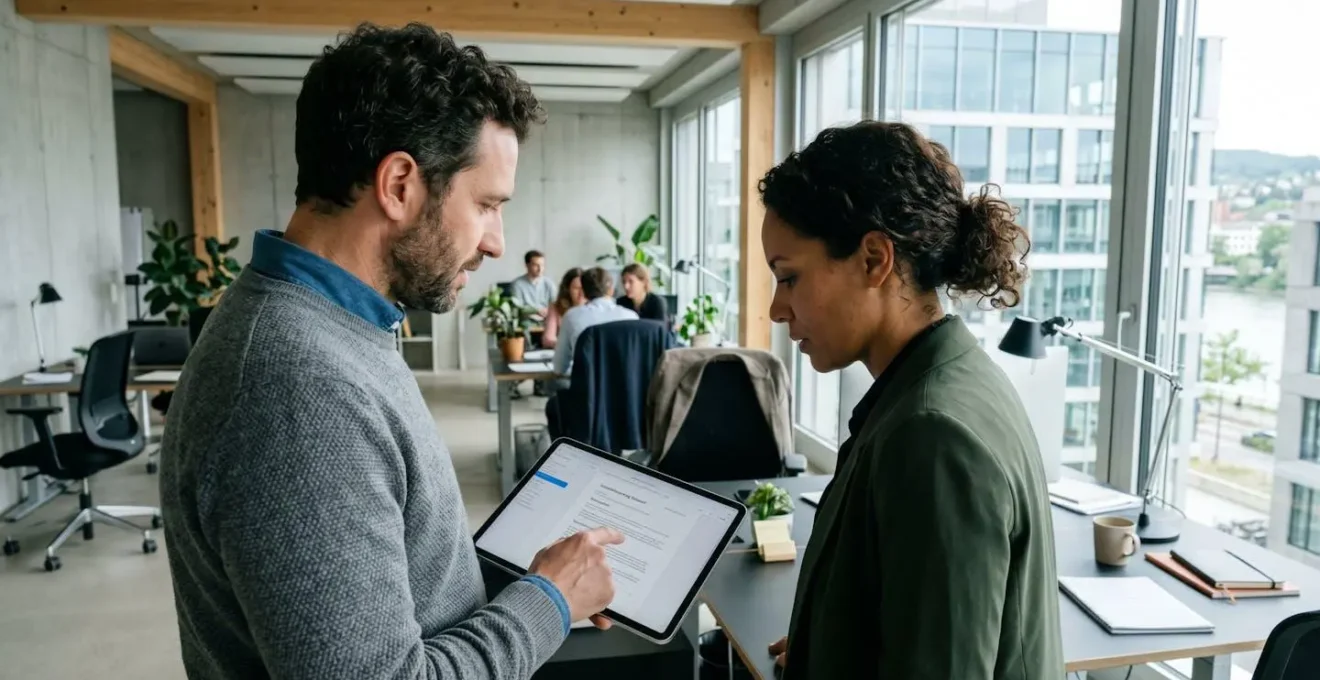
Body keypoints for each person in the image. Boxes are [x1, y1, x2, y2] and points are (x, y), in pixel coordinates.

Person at [158, 24, 624, 680]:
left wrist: (514, 574)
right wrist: (548, 599)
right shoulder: (299, 389)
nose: (496, 242)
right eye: (487, 205)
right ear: (401, 184)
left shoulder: (331, 328)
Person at [759, 121, 1063, 679]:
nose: (778, 310)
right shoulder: (940, 384)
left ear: (875, 259)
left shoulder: (931, 434)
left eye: (789, 278)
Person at [552, 266, 638, 379]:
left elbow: (559, 368)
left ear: (585, 292)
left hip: (587, 392)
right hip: (627, 392)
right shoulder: (632, 317)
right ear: (611, 290)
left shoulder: (572, 316)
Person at [542, 267, 584, 349]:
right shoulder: (555, 307)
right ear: (567, 289)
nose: (581, 293)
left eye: (584, 288)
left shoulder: (594, 307)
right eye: (576, 288)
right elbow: (548, 339)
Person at [511, 249, 556, 315]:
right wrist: (536, 311)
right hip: (527, 321)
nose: (540, 269)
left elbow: (555, 305)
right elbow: (517, 308)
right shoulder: (517, 284)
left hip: (547, 319)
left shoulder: (549, 284)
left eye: (542, 265)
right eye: (536, 265)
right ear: (527, 265)